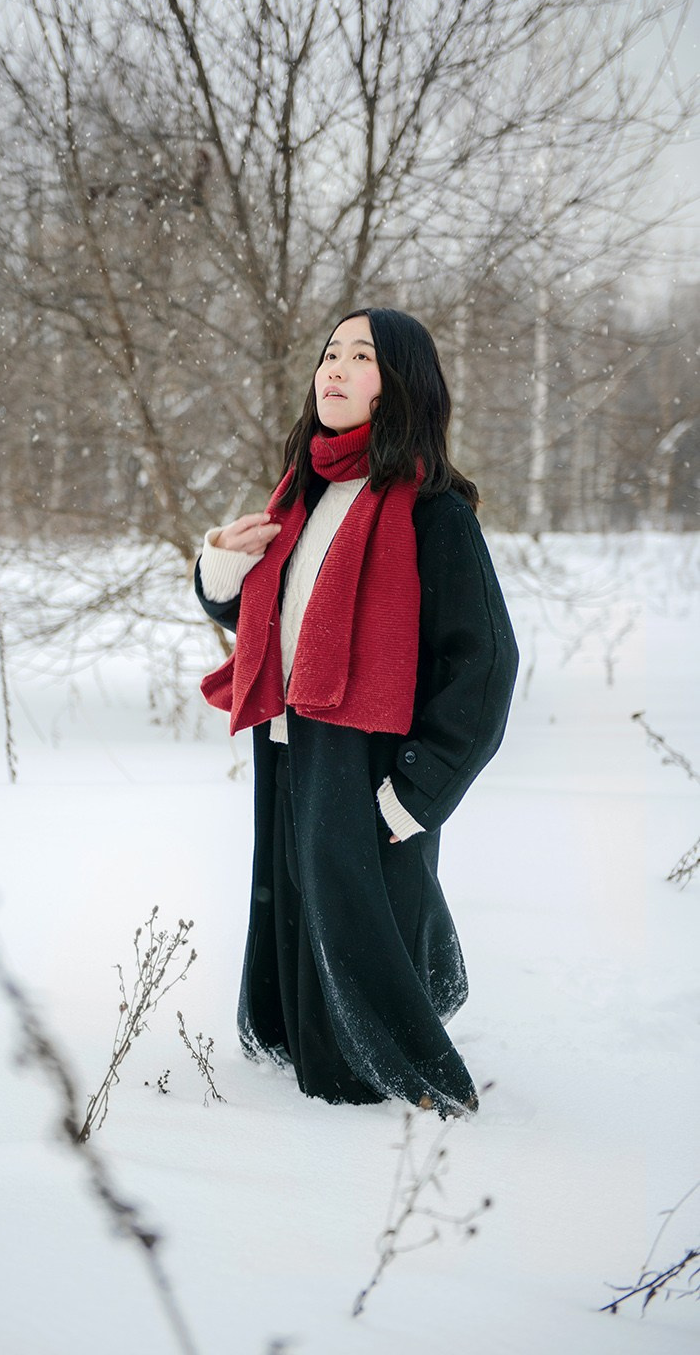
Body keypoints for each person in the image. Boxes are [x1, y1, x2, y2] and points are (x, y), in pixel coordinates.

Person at [195, 308, 519, 1117]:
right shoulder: (302, 495)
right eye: (330, 353)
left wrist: (417, 790)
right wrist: (223, 567)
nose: (334, 369)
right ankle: (293, 1047)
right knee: (292, 900)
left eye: (361, 356)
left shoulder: (433, 512)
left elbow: (484, 665)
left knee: (364, 919)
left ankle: (388, 1081)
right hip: (291, 740)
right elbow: (280, 623)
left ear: (400, 384)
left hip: (372, 758)